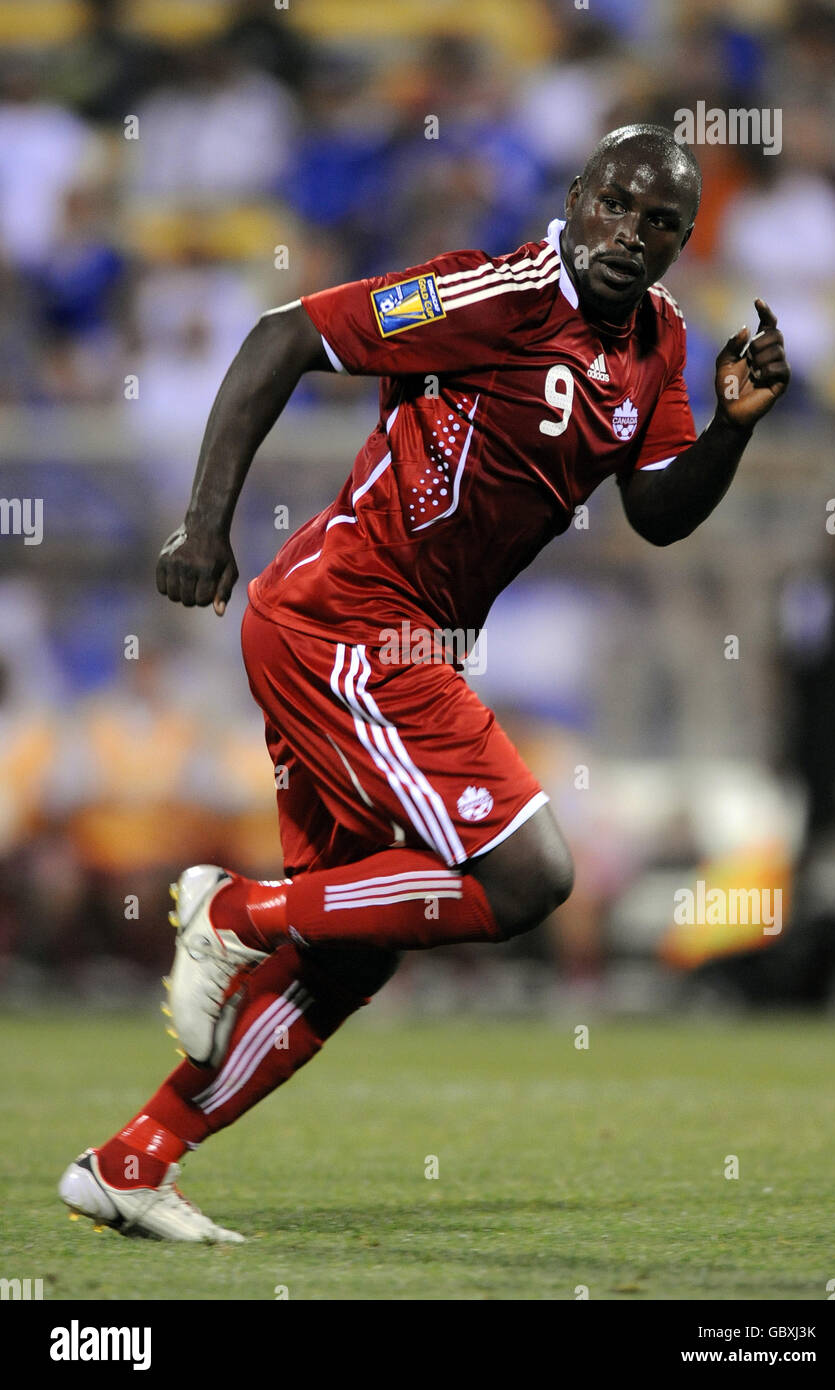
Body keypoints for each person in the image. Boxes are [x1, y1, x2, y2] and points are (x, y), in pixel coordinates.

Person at [59, 124, 790, 1241]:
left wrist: (729, 430)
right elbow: (280, 336)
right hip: (348, 619)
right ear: (577, 196)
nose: (628, 236)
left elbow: (655, 511)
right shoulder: (490, 292)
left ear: (679, 242)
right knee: (527, 874)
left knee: (350, 952)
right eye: (615, 205)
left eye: (658, 225)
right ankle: (235, 909)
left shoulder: (659, 341)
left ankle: (132, 1160)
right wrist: (202, 526)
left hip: (399, 643)